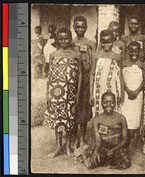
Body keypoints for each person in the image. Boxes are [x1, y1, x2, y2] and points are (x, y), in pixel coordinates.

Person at [44, 28, 83, 158]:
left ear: (70, 39)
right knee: (58, 119)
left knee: (69, 119)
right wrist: (47, 94)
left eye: (66, 38)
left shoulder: (76, 55)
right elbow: (49, 76)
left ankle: (67, 146)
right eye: (60, 39)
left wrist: (77, 93)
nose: (63, 41)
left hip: (70, 93)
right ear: (57, 40)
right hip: (56, 92)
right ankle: (58, 146)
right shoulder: (53, 55)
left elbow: (81, 74)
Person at [74, 92, 131, 169]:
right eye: (105, 102)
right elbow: (98, 140)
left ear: (115, 103)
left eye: (112, 102)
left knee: (125, 164)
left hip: (117, 148)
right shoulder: (97, 120)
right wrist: (96, 151)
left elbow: (124, 140)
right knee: (90, 164)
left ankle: (108, 162)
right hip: (103, 148)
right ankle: (98, 159)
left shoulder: (121, 118)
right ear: (101, 103)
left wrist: (114, 150)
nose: (108, 105)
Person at [71, 16, 97, 148]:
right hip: (73, 81)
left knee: (84, 109)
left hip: (86, 79)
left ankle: (82, 138)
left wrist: (90, 83)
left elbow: (92, 63)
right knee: (74, 109)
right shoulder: (70, 42)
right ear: (73, 27)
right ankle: (74, 137)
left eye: (82, 26)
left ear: (86, 27)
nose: (80, 29)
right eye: (77, 26)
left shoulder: (91, 43)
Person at [90, 30, 124, 118]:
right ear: (100, 42)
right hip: (98, 89)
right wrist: (91, 94)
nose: (106, 45)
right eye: (103, 42)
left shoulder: (117, 56)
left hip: (113, 89)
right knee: (99, 112)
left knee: (113, 113)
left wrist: (122, 93)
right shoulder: (96, 56)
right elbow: (92, 74)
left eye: (108, 42)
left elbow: (120, 76)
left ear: (113, 41)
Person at [121, 41, 145, 152]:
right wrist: (127, 90)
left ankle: (134, 140)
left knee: (136, 116)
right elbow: (121, 78)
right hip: (127, 94)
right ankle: (126, 139)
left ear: (140, 52)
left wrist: (136, 91)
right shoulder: (124, 63)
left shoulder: (142, 64)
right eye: (131, 51)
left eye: (136, 51)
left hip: (138, 94)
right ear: (128, 51)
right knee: (126, 115)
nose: (134, 53)